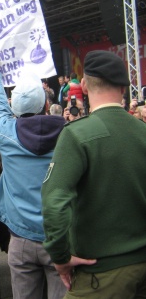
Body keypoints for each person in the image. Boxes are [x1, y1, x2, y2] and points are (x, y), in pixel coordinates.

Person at [42, 50, 146, 298]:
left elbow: (54, 204)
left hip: (101, 272)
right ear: (123, 87)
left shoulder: (77, 134)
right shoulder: (142, 131)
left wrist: (60, 257)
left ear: (85, 86)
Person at [0, 41, 66, 299]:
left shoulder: (4, 134)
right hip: (60, 239)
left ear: (14, 108)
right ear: (44, 105)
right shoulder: (71, 137)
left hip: (20, 239)